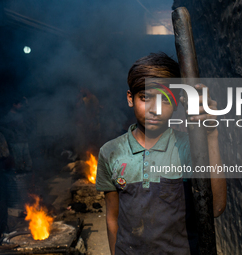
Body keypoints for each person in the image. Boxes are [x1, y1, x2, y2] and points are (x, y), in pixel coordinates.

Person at [96, 53, 227, 255]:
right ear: (130, 98)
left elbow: (216, 207)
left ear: (176, 104)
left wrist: (211, 135)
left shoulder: (189, 148)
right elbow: (113, 218)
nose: (155, 110)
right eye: (145, 98)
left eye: (165, 100)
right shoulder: (110, 152)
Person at [0, 96, 33, 172]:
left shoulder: (21, 114)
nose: (21, 106)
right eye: (20, 104)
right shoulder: (8, 116)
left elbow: (29, 114)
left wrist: (27, 104)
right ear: (14, 105)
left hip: (24, 140)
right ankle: (19, 178)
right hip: (15, 142)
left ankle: (28, 178)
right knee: (18, 161)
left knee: (28, 160)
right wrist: (11, 133)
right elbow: (1, 126)